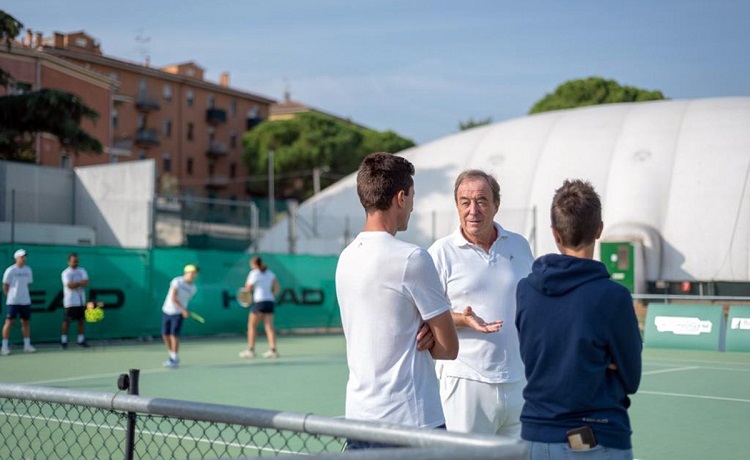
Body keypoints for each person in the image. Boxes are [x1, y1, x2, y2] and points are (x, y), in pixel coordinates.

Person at [335, 152, 459, 449]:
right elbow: (448, 348)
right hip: (411, 424)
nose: (413, 206)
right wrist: (432, 332)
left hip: (359, 419)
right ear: (401, 197)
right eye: (413, 196)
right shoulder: (412, 258)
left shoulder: (345, 258)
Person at [515, 179, 642, 459]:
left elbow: (535, 357)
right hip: (597, 438)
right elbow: (631, 377)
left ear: (555, 234)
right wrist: (601, 362)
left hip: (535, 438)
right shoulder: (613, 297)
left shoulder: (526, 290)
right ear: (599, 229)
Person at [427, 169, 533, 437]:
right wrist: (463, 319)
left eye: (482, 201)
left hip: (519, 381)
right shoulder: (440, 253)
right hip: (465, 382)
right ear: (457, 206)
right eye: (465, 202)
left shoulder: (519, 246)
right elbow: (422, 313)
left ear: (496, 205)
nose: (473, 210)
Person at [239, 256, 281, 359]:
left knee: (252, 326)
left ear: (253, 264)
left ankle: (251, 350)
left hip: (259, 302)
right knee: (269, 327)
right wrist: (271, 296)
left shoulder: (254, 273)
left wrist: (248, 292)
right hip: (269, 302)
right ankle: (273, 350)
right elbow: (277, 288)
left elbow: (248, 288)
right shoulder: (270, 273)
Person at [161, 264, 199, 369]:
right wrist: (184, 310)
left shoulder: (193, 288)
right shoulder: (177, 281)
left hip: (178, 314)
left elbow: (185, 300)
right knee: (165, 335)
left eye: (195, 274)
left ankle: (174, 358)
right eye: (191, 273)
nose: (193, 275)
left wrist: (182, 310)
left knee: (174, 335)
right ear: (186, 273)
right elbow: (173, 297)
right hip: (167, 310)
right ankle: (172, 355)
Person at [2, 249, 36, 355]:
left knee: (25, 322)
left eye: (24, 256)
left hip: (25, 301)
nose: (24, 258)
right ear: (16, 258)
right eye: (21, 257)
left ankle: (27, 345)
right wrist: (11, 296)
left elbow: (27, 284)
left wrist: (22, 295)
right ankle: (4, 347)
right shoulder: (10, 270)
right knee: (9, 322)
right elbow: (5, 286)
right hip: (13, 301)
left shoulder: (28, 270)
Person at [61, 253, 90, 349]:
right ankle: (64, 340)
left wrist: (76, 284)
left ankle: (81, 340)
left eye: (77, 261)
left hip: (81, 301)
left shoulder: (82, 270)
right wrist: (79, 283)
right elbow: (69, 285)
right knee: (67, 321)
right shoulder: (65, 273)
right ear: (69, 262)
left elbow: (86, 282)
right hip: (70, 302)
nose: (75, 263)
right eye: (74, 261)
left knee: (81, 320)